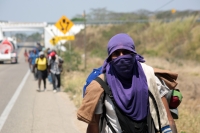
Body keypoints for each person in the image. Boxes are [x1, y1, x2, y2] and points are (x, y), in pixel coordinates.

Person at [77, 33, 172, 133]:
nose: (122, 57)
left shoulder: (150, 77)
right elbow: (94, 125)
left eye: (126, 52)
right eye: (116, 53)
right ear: (110, 57)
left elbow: (167, 119)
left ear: (133, 54)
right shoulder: (101, 85)